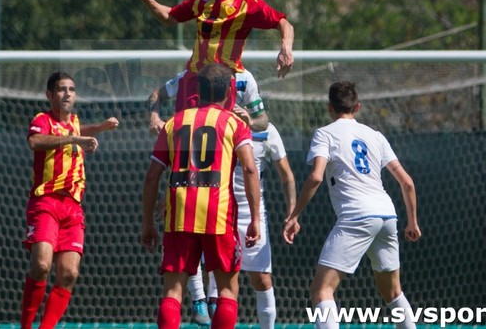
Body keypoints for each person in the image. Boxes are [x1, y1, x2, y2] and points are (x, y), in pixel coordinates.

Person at [148, 69, 294, 328]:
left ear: (196, 90)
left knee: (172, 292)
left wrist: (147, 222)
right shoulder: (235, 124)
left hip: (179, 212)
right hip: (219, 213)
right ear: (229, 91)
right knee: (227, 291)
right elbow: (250, 169)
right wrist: (256, 219)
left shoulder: (174, 122)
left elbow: (152, 177)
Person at [282, 81, 422, 329]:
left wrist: (294, 215)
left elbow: (315, 177)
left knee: (321, 290)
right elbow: (407, 183)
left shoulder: (325, 133)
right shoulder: (375, 136)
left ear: (329, 108)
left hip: (357, 216)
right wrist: (412, 221)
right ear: (357, 107)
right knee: (392, 291)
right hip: (387, 216)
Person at [131, 0, 294, 113]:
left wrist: (286, 48)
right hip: (193, 79)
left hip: (222, 85)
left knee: (217, 135)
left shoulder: (247, 3)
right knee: (186, 136)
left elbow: (284, 23)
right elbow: (169, 16)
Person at [20, 71, 119, 329]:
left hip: (73, 208)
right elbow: (35, 142)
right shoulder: (42, 120)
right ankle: (26, 325)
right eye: (62, 89)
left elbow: (77, 129)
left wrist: (99, 128)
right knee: (42, 265)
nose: (67, 94)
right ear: (49, 95)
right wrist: (76, 139)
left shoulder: (73, 121)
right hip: (46, 203)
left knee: (69, 273)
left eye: (72, 90)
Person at [205, 121, 296, 329]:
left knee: (262, 279)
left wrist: (292, 213)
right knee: (214, 279)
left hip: (252, 213)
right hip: (218, 211)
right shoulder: (215, 123)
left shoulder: (267, 130)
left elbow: (287, 176)